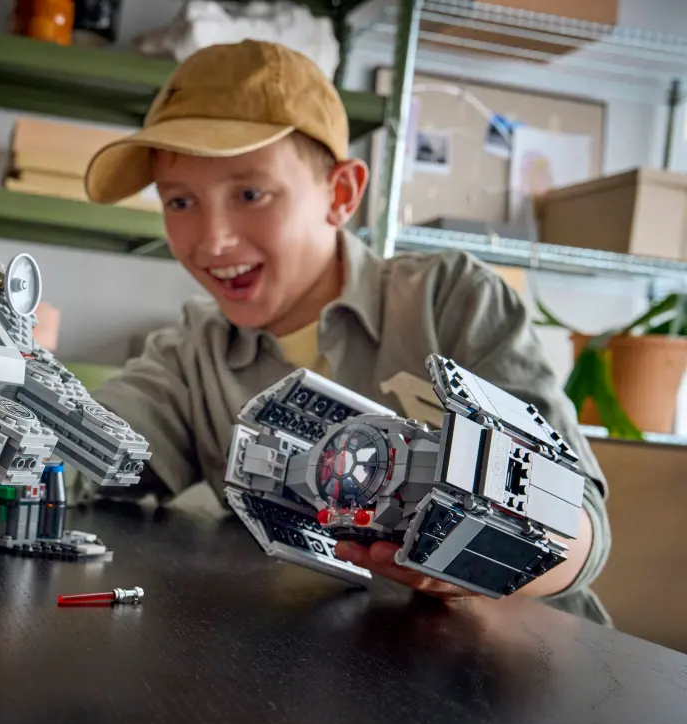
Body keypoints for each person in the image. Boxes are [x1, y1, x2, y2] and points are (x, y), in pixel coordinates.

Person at [69, 39, 612, 625]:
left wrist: (474, 557)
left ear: (342, 193)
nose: (212, 240)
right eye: (179, 201)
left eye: (250, 194)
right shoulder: (191, 353)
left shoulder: (452, 300)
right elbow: (77, 448)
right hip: (314, 652)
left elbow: (581, 527)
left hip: (527, 653)